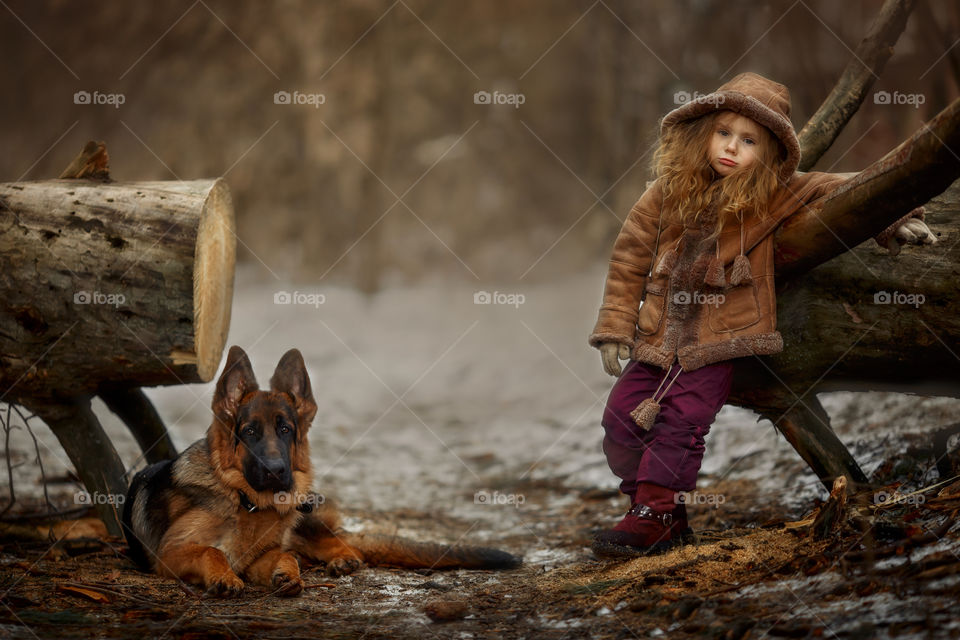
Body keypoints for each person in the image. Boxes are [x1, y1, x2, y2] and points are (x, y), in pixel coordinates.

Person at [588, 72, 935, 557]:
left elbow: (847, 188)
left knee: (681, 423)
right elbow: (629, 258)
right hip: (657, 335)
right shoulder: (667, 192)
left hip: (719, 339)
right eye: (723, 133)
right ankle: (658, 511)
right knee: (621, 421)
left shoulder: (774, 193)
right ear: (702, 131)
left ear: (769, 151)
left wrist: (898, 217)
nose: (731, 148)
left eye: (748, 141)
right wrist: (615, 327)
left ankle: (654, 513)